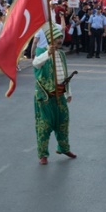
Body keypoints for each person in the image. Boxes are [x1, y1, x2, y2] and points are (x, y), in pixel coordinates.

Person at [32, 23, 77, 165]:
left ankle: (64, 148)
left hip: (60, 96)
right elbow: (35, 64)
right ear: (51, 39)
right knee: (44, 126)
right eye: (57, 38)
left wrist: (68, 92)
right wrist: (47, 53)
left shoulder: (62, 54)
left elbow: (64, 74)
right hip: (45, 97)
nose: (60, 40)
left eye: (61, 37)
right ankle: (43, 154)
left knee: (63, 122)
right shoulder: (41, 51)